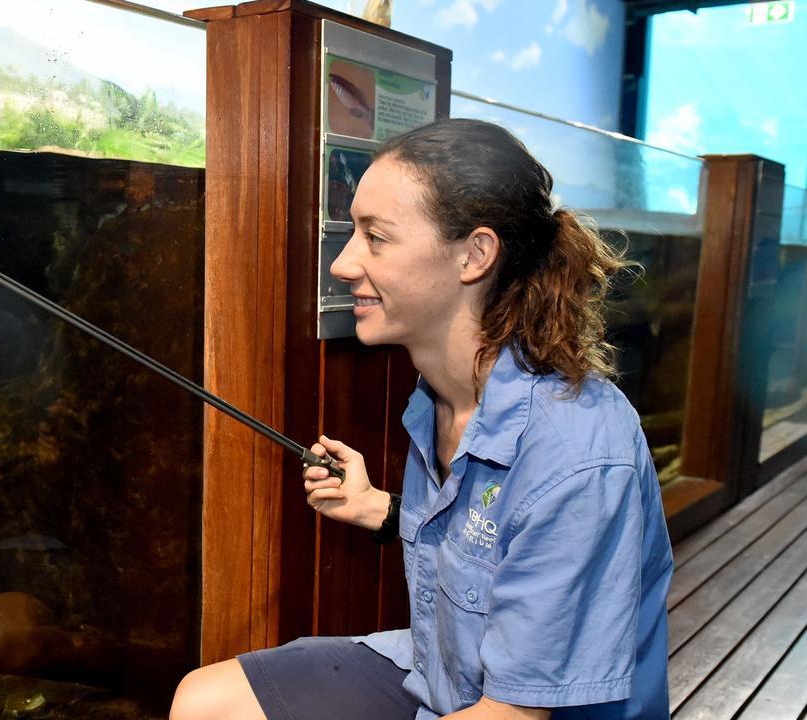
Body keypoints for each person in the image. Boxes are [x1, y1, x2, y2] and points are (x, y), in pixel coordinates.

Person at [169, 118, 673, 720]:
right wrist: (381, 511)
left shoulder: (577, 453)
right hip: (442, 674)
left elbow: (511, 715)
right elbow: (491, 535)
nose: (343, 264)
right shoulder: (436, 396)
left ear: (474, 254)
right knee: (205, 701)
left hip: (512, 712)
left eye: (375, 237)